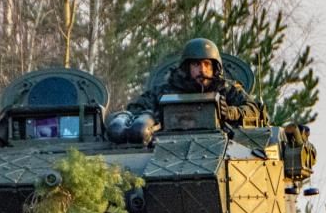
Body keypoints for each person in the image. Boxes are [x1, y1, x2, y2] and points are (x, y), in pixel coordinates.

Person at [108, 38, 262, 143]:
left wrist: (230, 112)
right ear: (187, 68)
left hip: (221, 144)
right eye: (196, 65)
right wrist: (158, 116)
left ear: (215, 68)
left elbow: (254, 110)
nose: (202, 70)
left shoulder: (226, 89)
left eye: (207, 64)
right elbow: (135, 109)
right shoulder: (167, 91)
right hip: (169, 146)